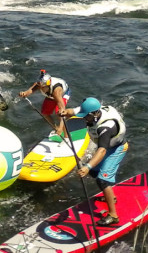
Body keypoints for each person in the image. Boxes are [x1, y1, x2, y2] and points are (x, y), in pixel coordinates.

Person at [60, 97, 128, 226]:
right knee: (94, 172)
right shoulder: (90, 110)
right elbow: (70, 112)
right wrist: (63, 112)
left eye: (86, 117)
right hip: (106, 146)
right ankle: (111, 197)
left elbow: (102, 151)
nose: (84, 119)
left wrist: (87, 166)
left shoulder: (105, 128)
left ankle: (113, 215)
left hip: (116, 149)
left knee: (102, 179)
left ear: (95, 114)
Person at [19, 70, 70, 137]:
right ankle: (55, 128)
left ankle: (65, 134)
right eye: (39, 87)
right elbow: (30, 90)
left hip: (63, 95)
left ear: (48, 85)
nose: (41, 89)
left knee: (59, 112)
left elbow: (62, 107)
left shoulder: (57, 91)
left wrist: (61, 126)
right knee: (45, 113)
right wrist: (24, 93)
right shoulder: (40, 84)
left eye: (43, 88)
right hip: (50, 95)